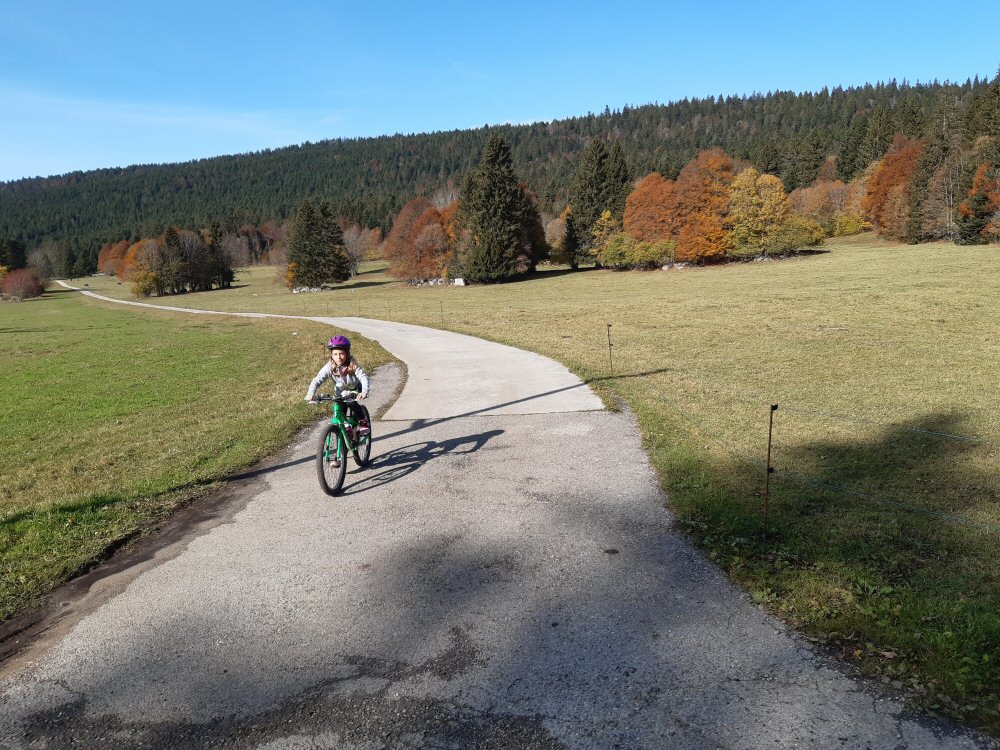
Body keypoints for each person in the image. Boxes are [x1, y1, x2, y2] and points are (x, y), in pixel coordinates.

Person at [305, 335, 370, 434]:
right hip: (340, 392)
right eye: (335, 354)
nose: (338, 357)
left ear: (347, 354)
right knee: (340, 409)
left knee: (351, 403)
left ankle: (363, 421)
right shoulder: (330, 367)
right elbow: (317, 380)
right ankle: (346, 428)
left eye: (341, 354)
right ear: (331, 355)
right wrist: (311, 393)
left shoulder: (352, 365)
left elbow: (363, 377)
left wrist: (364, 391)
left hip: (355, 390)